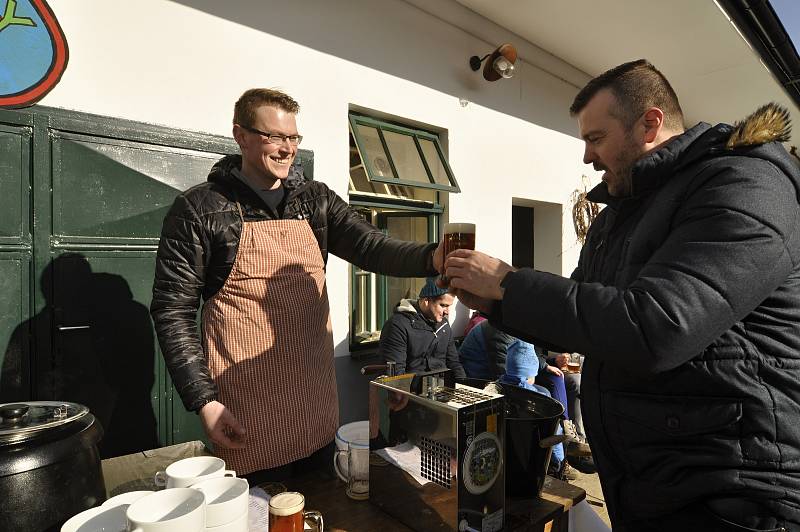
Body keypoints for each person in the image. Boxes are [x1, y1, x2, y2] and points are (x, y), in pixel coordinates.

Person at [441, 59, 800, 531]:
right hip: (649, 486)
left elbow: (658, 327)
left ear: (650, 124)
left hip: (733, 495)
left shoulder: (744, 184)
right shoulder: (620, 214)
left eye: (595, 139)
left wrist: (509, 283)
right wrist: (493, 302)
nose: (587, 158)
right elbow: (577, 310)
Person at [150, 88, 440, 484]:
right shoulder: (200, 208)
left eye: (293, 138)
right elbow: (172, 310)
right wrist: (204, 400)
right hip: (245, 407)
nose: (287, 149)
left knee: (319, 509)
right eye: (274, 137)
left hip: (315, 400)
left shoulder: (315, 200)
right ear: (241, 136)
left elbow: (372, 247)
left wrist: (434, 258)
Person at [377, 277, 466, 379]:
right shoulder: (398, 325)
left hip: (441, 388)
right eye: (443, 305)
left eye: (449, 306)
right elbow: (395, 373)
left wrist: (465, 387)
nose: (447, 312)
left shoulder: (444, 325)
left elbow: (454, 363)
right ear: (426, 301)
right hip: (412, 390)